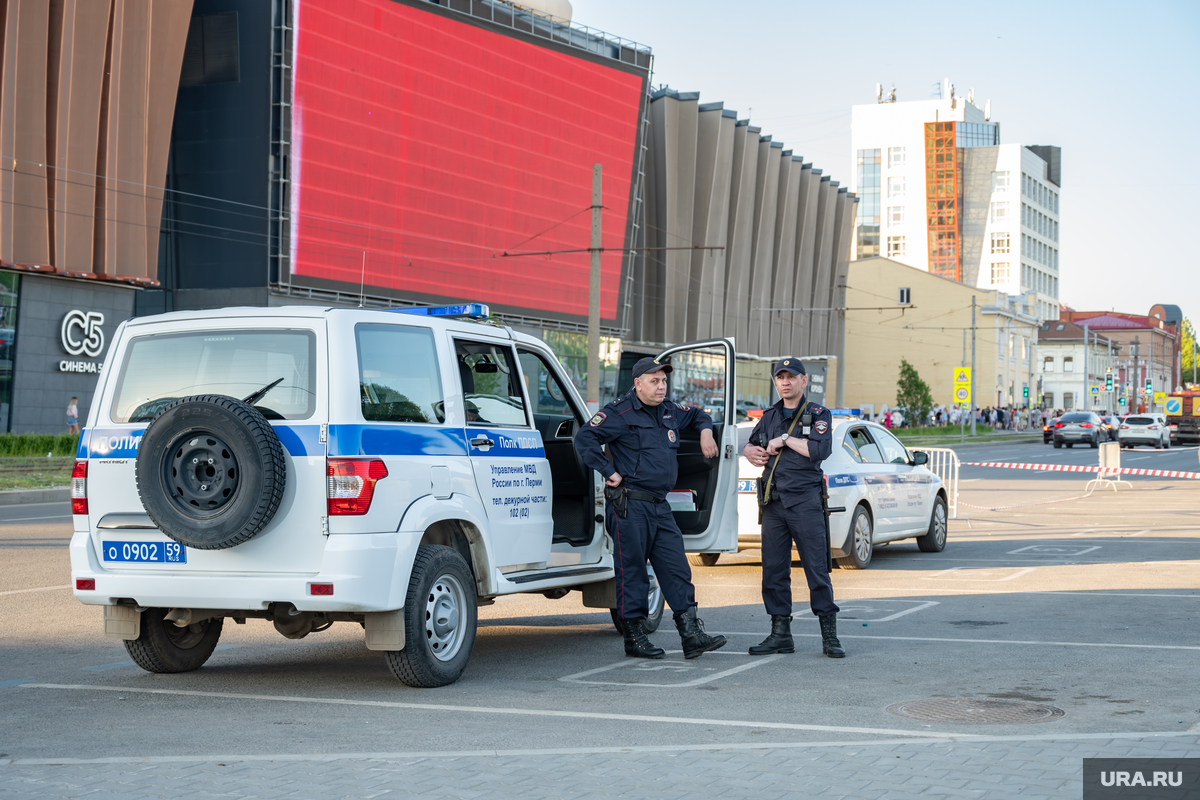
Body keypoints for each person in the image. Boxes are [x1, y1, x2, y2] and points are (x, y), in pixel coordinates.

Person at [574, 356, 727, 660]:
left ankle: (691, 634)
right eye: (654, 381)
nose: (661, 386)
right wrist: (609, 472)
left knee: (677, 569)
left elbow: (698, 415)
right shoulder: (619, 412)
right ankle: (634, 635)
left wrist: (706, 432)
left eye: (664, 380)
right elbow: (584, 438)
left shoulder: (669, 411)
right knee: (633, 572)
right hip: (630, 505)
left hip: (660, 504)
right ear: (638, 383)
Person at [742, 358, 844, 659]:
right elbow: (752, 443)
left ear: (804, 381)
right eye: (780, 377)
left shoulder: (817, 413)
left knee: (816, 570)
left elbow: (819, 450)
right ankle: (780, 634)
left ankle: (830, 636)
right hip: (774, 503)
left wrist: (785, 439)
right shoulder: (771, 414)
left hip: (804, 502)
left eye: (791, 377)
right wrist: (751, 452)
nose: (785, 382)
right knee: (773, 571)